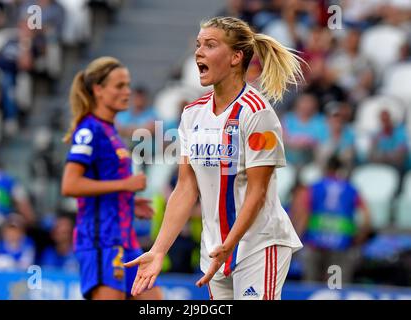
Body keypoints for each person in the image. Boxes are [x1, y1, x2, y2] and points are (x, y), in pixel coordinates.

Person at [125, 16, 304, 300]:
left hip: (258, 245)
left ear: (235, 57)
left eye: (210, 45)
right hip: (214, 251)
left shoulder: (258, 114)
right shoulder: (192, 113)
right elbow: (185, 188)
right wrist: (158, 250)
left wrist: (230, 244)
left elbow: (257, 193)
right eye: (198, 45)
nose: (198, 52)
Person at [61, 57, 163, 300]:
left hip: (126, 239)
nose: (127, 91)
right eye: (119, 86)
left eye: (127, 85)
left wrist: (126, 199)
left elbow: (100, 182)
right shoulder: (89, 130)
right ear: (98, 90)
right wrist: (124, 185)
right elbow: (70, 185)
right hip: (101, 242)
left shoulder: (110, 129)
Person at [292, 155, 371, 284]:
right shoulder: (351, 189)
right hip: (341, 245)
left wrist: (298, 240)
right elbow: (367, 217)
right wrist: (358, 239)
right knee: (335, 287)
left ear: (326, 169)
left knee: (311, 285)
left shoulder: (314, 188)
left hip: (315, 244)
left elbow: (303, 214)